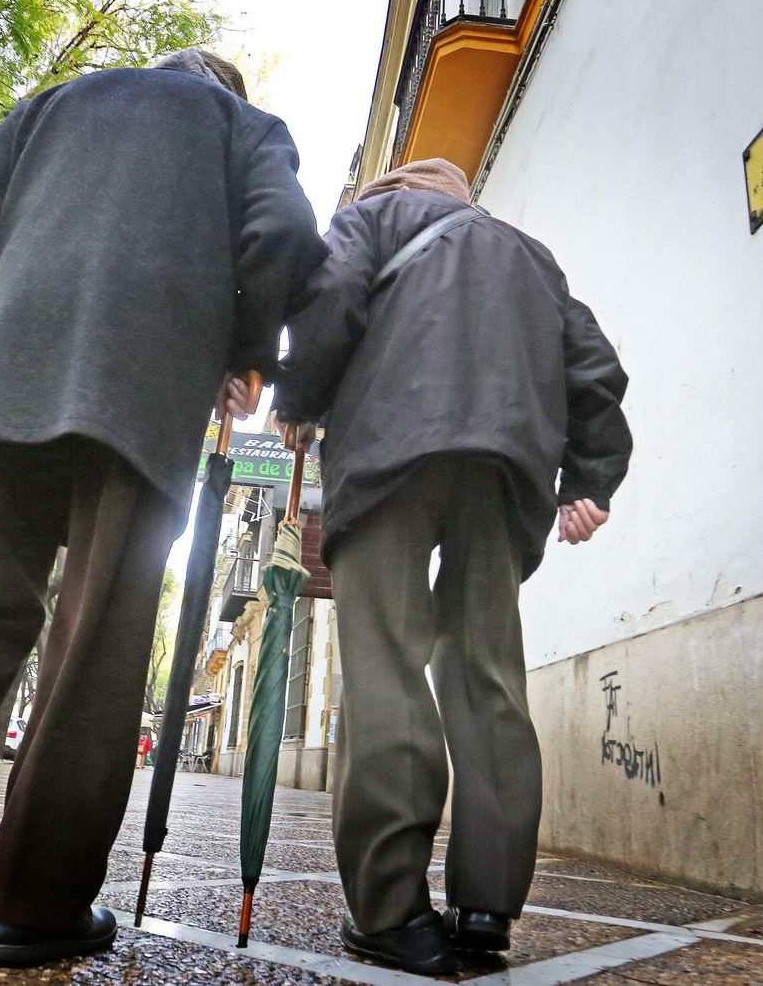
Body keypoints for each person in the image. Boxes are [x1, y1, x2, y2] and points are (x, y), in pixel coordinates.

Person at [0, 49, 326, 968]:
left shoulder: (51, 106)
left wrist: (18, 316)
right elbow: (284, 235)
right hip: (144, 386)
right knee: (96, 637)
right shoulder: (240, 127)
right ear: (226, 87)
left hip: (14, 379)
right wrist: (246, 351)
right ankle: (33, 902)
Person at [274, 157, 631, 975]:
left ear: (395, 192)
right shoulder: (529, 254)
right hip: (505, 472)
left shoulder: (369, 221)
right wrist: (590, 481)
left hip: (387, 462)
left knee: (388, 673)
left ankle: (393, 913)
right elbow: (595, 369)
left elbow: (328, 300)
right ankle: (485, 908)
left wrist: (297, 400)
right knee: (488, 676)